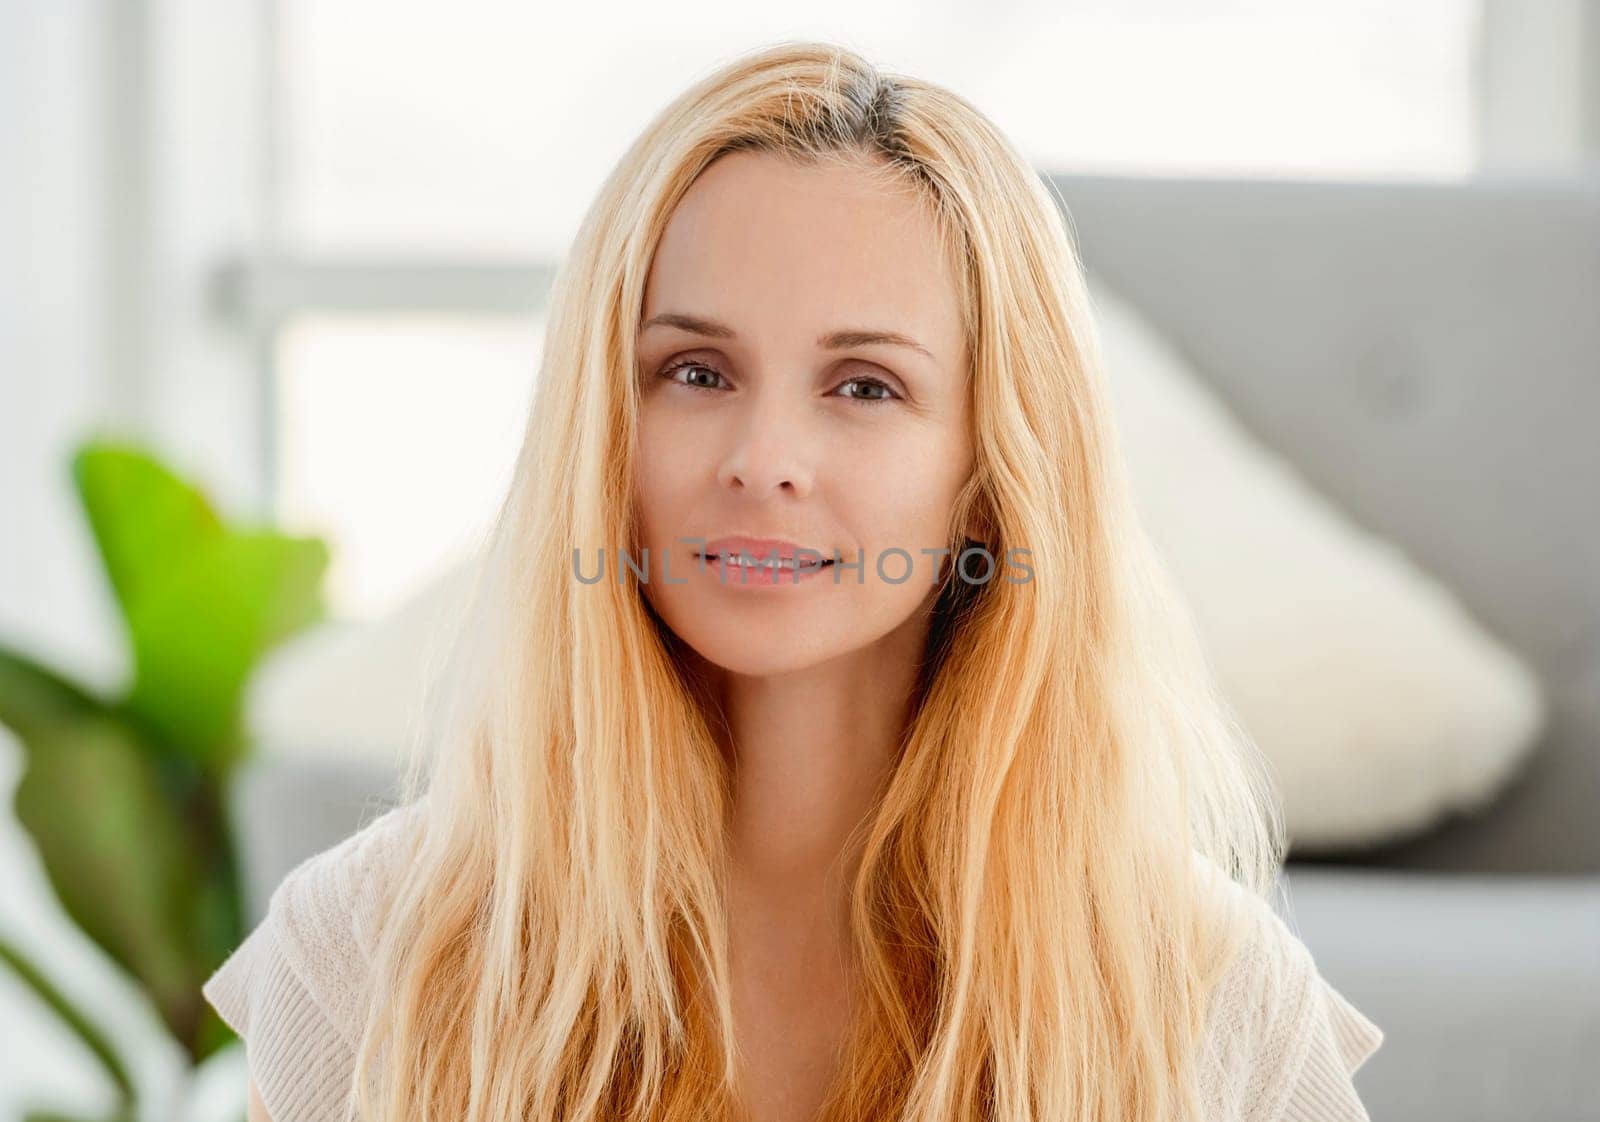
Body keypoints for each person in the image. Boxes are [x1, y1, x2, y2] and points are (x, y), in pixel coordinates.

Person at [202, 39, 1383, 1122]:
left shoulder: (1206, 998)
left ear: (991, 470)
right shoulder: (373, 951)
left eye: (864, 386)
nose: (762, 462)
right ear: (601, 430)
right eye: (694, 370)